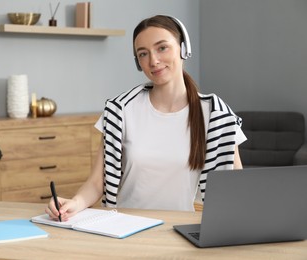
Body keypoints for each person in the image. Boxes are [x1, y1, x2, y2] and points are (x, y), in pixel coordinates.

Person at [46, 15, 246, 221]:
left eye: (162, 48)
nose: (153, 61)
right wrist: (74, 203)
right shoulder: (120, 110)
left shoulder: (216, 115)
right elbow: (97, 183)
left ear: (183, 48)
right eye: (143, 54)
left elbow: (236, 189)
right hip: (122, 226)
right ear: (138, 62)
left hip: (179, 228)